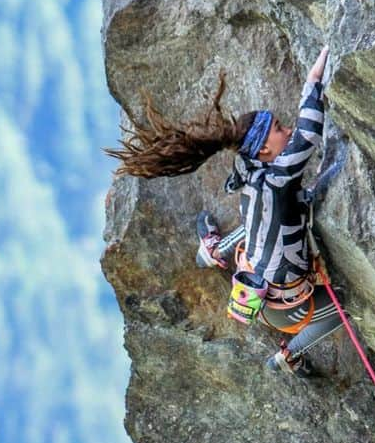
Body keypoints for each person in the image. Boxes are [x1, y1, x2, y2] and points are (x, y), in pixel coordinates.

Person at [104, 45, 345, 375]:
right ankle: (289, 355)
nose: (286, 130)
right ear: (262, 149)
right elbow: (306, 136)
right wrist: (314, 80)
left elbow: (273, 149)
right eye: (278, 128)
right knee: (340, 307)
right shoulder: (274, 181)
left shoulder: (249, 171)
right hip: (282, 308)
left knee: (259, 223)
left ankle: (214, 250)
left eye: (282, 125)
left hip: (255, 282)